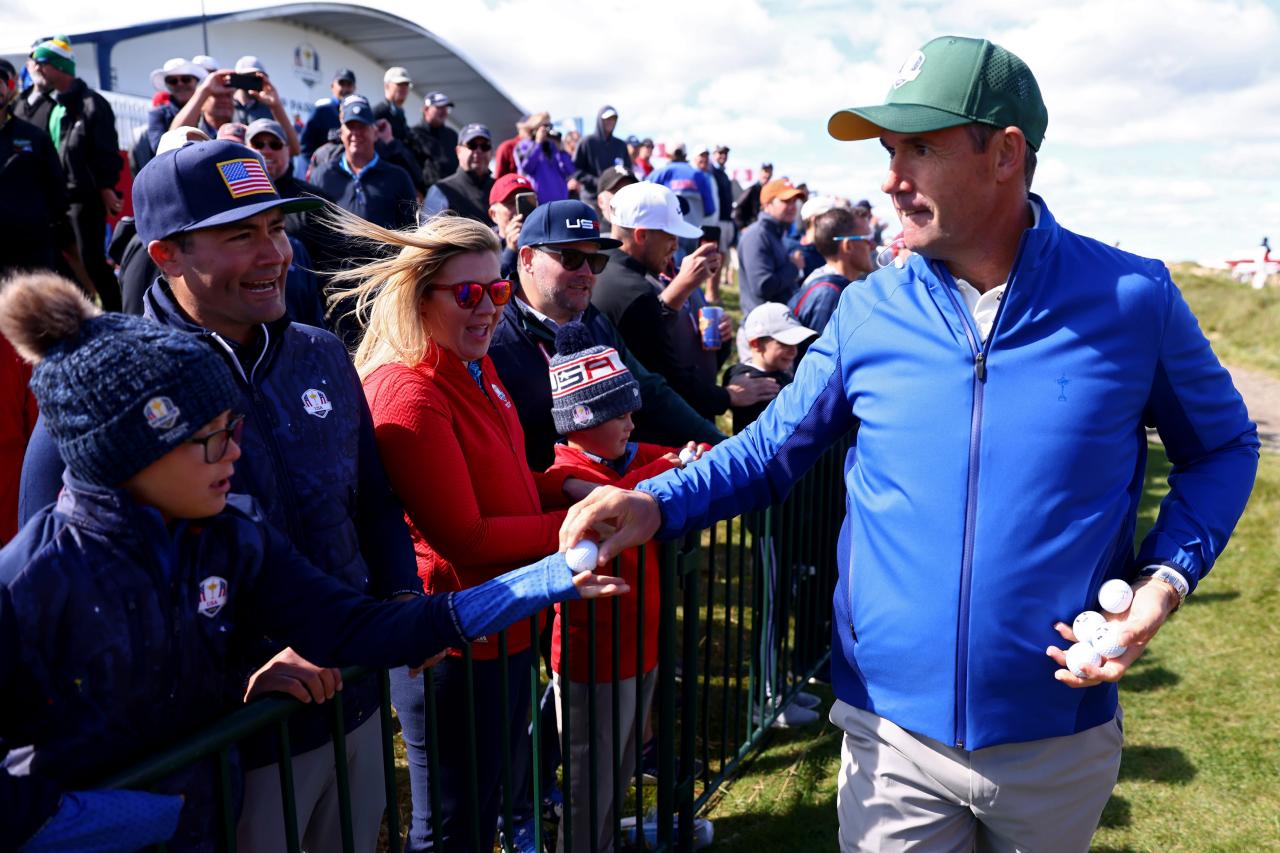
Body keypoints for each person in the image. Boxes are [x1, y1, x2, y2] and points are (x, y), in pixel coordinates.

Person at [561, 35, 1261, 852]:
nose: (890, 178)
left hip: (1057, 737)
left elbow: (1222, 448)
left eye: (919, 148)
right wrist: (654, 501)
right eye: (890, 149)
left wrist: (1164, 579)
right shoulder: (868, 310)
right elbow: (770, 450)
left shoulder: (1134, 297)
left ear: (1005, 154)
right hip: (890, 740)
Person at [0, 272, 627, 853]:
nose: (235, 451)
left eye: (235, 424)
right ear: (130, 451)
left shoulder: (233, 533)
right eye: (212, 436)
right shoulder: (26, 586)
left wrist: (544, 580)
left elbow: (357, 627)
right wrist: (155, 811)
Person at [12, 137, 415, 853]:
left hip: (354, 704)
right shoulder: (109, 395)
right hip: (226, 758)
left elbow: (375, 502)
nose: (275, 255)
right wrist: (233, 686)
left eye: (276, 228)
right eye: (240, 236)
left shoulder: (321, 351)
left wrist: (401, 602)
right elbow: (78, 608)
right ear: (165, 254)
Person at [327, 211, 595, 852]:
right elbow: (467, 538)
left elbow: (506, 477)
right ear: (420, 296)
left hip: (503, 629)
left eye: (497, 289)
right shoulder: (408, 394)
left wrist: (567, 486)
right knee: (450, 829)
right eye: (469, 293)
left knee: (481, 812)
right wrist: (574, 524)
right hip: (453, 647)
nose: (489, 307)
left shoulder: (474, 364)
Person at [540, 322, 695, 852]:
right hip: (592, 658)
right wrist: (669, 469)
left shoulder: (630, 458)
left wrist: (684, 458)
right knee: (590, 780)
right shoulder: (562, 474)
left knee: (621, 768)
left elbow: (656, 468)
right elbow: (608, 501)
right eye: (619, 414)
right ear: (583, 420)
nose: (632, 422)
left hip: (639, 648)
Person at [488, 199, 725, 472]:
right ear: (528, 258)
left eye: (596, 260)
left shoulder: (595, 320)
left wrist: (723, 445)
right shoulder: (492, 333)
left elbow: (651, 392)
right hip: (536, 505)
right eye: (572, 259)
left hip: (605, 498)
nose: (587, 273)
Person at [594, 182, 778, 422]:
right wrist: (726, 398)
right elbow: (666, 380)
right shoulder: (634, 290)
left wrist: (719, 344)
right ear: (641, 235)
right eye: (670, 236)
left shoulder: (606, 269)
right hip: (652, 431)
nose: (676, 246)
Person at [16, 36, 122, 310]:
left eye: (40, 64)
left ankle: (117, 314)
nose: (35, 70)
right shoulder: (56, 105)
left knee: (92, 261)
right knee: (63, 260)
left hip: (83, 197)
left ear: (57, 67)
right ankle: (87, 311)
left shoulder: (91, 103)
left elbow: (105, 150)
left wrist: (105, 186)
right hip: (60, 198)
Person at [0, 58, 85, 286]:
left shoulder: (34, 136)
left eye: (2, 81)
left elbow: (57, 188)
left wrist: (42, 221)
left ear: (10, 88)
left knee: (35, 312)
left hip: (32, 247)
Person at [310, 95, 416, 230]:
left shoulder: (398, 178)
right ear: (341, 133)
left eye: (362, 126)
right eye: (350, 126)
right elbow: (312, 227)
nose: (355, 133)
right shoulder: (321, 175)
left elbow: (411, 232)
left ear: (375, 133)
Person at [788, 205, 876, 351]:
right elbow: (822, 362)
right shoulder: (829, 294)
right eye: (867, 239)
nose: (873, 246)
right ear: (848, 246)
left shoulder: (828, 284)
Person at [723, 303, 815, 434]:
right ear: (756, 344)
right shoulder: (746, 378)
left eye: (796, 344)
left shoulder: (782, 375)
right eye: (785, 343)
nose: (794, 351)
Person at [736, 177, 804, 318]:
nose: (792, 206)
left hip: (776, 322)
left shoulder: (775, 233)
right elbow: (763, 286)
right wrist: (794, 267)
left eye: (794, 201)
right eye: (785, 201)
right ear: (767, 205)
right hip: (762, 330)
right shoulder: (756, 236)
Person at [134, 57, 206, 172]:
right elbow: (159, 147)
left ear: (196, 82)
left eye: (186, 79)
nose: (180, 84)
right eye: (173, 81)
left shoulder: (208, 110)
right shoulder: (157, 114)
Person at [422, 123, 496, 224]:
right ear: (458, 151)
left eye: (484, 146)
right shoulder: (441, 190)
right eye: (472, 145)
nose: (478, 151)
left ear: (491, 152)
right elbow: (427, 235)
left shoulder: (502, 189)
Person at [572, 105, 631, 209]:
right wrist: (598, 182)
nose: (611, 122)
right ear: (600, 120)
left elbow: (627, 170)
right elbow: (575, 169)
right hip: (591, 199)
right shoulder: (587, 142)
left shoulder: (620, 145)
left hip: (615, 201)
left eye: (613, 119)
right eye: (607, 119)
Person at [516, 115, 575, 203]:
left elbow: (570, 170)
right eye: (544, 127)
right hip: (538, 202)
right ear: (534, 128)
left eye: (549, 126)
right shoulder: (523, 146)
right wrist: (538, 143)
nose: (547, 130)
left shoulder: (553, 146)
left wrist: (561, 150)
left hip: (560, 201)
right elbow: (526, 167)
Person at [488, 172, 536, 279]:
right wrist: (510, 251)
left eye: (525, 201)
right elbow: (491, 284)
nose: (518, 210)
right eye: (511, 202)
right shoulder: (484, 247)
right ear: (493, 214)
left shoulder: (545, 239)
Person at [407, 90, 458, 189]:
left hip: (452, 193)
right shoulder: (413, 134)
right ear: (426, 109)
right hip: (425, 193)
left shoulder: (452, 135)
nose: (444, 111)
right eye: (439, 107)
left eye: (446, 108)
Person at [300, 67, 356, 159]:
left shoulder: (358, 114)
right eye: (341, 83)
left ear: (354, 88)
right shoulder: (322, 110)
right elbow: (306, 146)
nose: (345, 88)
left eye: (349, 84)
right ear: (332, 86)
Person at [372, 66, 413, 143]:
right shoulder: (379, 112)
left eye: (406, 84)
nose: (404, 88)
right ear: (387, 85)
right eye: (399, 84)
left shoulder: (400, 114)